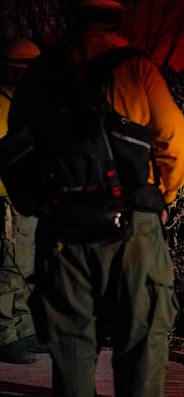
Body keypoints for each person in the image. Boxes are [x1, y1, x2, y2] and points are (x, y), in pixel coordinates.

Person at [8, 0, 184, 395]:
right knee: (142, 342)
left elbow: (17, 148)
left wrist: (34, 202)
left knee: (69, 346)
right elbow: (173, 140)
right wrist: (164, 198)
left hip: (62, 231)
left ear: (68, 15)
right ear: (114, 14)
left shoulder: (39, 76)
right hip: (133, 228)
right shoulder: (137, 69)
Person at [0, 38, 43, 364]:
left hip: (27, 198)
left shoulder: (25, 103)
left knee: (26, 267)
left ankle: (25, 331)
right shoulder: (4, 104)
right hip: (7, 200)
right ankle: (6, 335)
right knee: (9, 268)